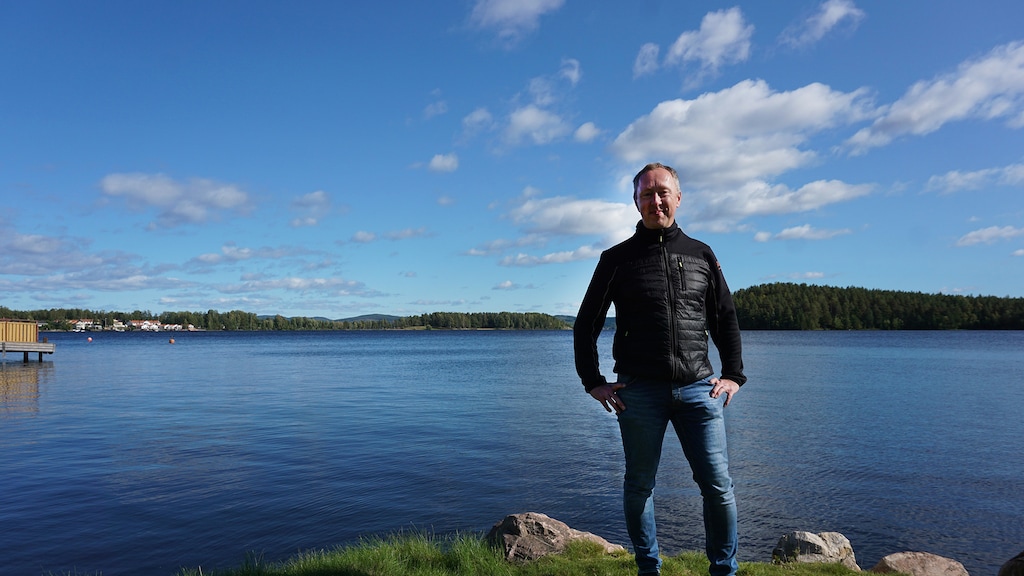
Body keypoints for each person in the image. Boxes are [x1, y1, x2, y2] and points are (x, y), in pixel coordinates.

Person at [573, 162, 747, 576]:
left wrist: (734, 375)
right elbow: (586, 323)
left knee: (718, 487)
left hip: (699, 390)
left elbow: (724, 318)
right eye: (646, 194)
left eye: (662, 192)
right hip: (639, 391)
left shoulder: (702, 253)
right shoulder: (616, 259)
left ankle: (724, 570)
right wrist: (593, 382)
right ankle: (648, 567)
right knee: (639, 487)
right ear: (636, 202)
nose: (655, 201)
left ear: (678, 197)